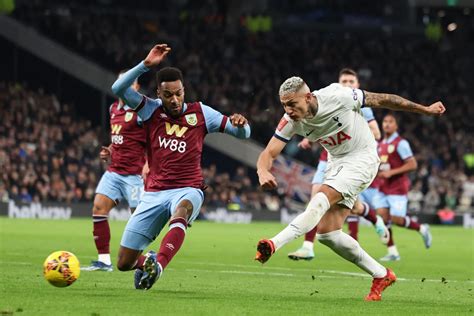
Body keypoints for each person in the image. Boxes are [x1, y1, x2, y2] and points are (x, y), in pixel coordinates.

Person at [255, 76, 445, 301]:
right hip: (337, 163)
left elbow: (384, 100)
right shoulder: (291, 120)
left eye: (292, 104)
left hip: (363, 158)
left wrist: (425, 110)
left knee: (319, 199)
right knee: (328, 235)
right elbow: (268, 152)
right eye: (284, 105)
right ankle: (382, 274)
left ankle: (274, 243)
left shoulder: (338, 95)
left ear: (308, 97)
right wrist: (262, 171)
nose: (288, 110)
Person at [111, 44, 251, 290]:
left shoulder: (201, 113)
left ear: (184, 90)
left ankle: (160, 265)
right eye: (168, 95)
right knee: (124, 262)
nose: (174, 100)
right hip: (154, 193)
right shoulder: (149, 110)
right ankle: (149, 262)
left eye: (178, 93)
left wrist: (241, 125)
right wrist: (145, 64)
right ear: (159, 93)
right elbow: (117, 88)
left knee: (182, 211)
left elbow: (243, 134)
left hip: (188, 188)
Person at [287, 68, 387, 261]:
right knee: (316, 197)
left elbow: (377, 133)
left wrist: (354, 132)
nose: (348, 85)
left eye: (351, 81)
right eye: (344, 81)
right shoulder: (331, 100)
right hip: (329, 159)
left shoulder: (361, 106)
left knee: (355, 208)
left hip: (353, 160)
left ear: (357, 85)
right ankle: (308, 246)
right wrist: (310, 139)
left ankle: (374, 220)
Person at [82, 73, 147, 272]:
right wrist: (109, 150)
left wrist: (149, 164)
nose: (125, 85)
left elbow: (154, 138)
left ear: (136, 87)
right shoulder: (113, 109)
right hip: (114, 172)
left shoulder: (141, 112)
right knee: (99, 208)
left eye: (130, 82)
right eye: (122, 81)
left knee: (139, 220)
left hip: (135, 175)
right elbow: (120, 137)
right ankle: (104, 261)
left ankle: (144, 260)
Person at [370, 113, 432, 261]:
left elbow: (413, 164)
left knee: (397, 219)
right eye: (385, 121)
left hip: (397, 187)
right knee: (382, 218)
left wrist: (391, 172)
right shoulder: (380, 144)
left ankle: (422, 229)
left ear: (396, 125)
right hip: (383, 187)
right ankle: (393, 252)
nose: (387, 124)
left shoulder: (401, 143)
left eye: (391, 122)